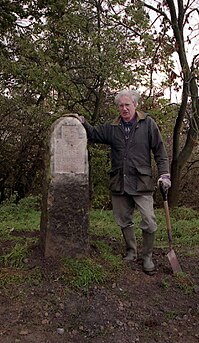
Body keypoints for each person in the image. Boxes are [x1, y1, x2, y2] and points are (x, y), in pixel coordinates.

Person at [79, 89, 171, 274]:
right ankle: (131, 251)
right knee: (123, 220)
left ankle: (147, 257)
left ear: (135, 105)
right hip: (119, 182)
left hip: (141, 182)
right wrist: (83, 123)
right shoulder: (112, 128)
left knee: (150, 221)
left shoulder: (148, 124)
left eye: (127, 105)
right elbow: (95, 135)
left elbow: (160, 151)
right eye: (120, 105)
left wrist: (165, 175)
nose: (124, 108)